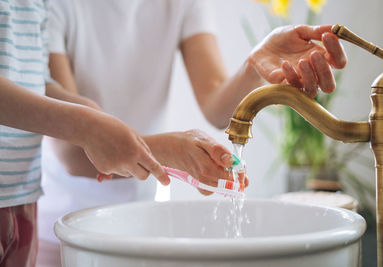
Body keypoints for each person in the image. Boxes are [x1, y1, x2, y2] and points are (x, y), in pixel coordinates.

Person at [37, 0, 347, 266]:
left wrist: (256, 63)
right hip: (57, 228)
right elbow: (72, 151)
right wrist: (169, 151)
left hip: (139, 222)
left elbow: (216, 105)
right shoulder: (50, 5)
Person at [0, 0, 193, 265]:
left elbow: (34, 81)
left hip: (22, 196)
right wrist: (86, 124)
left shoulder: (35, 4)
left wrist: (92, 116)